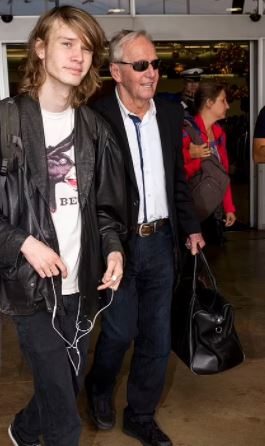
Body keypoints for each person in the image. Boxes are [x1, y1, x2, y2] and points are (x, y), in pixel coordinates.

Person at [0, 6, 127, 446]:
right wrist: (24, 243)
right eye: (67, 43)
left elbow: (106, 209)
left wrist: (114, 248)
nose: (78, 55)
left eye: (86, 47)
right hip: (29, 287)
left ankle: (25, 429)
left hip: (82, 285)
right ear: (40, 49)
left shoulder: (93, 128)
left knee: (66, 384)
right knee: (65, 418)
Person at [85, 30, 205, 446]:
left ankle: (140, 414)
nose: (151, 72)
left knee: (157, 334)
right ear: (116, 72)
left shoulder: (170, 115)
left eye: (155, 64)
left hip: (161, 242)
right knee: (119, 331)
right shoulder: (97, 118)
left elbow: (177, 181)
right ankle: (99, 388)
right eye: (140, 65)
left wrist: (190, 226)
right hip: (117, 245)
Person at [182, 81, 236, 243]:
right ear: (209, 103)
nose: (227, 106)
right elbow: (175, 170)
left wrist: (229, 208)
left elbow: (222, 173)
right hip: (193, 212)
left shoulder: (219, 134)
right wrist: (190, 155)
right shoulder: (187, 132)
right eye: (223, 100)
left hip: (213, 213)